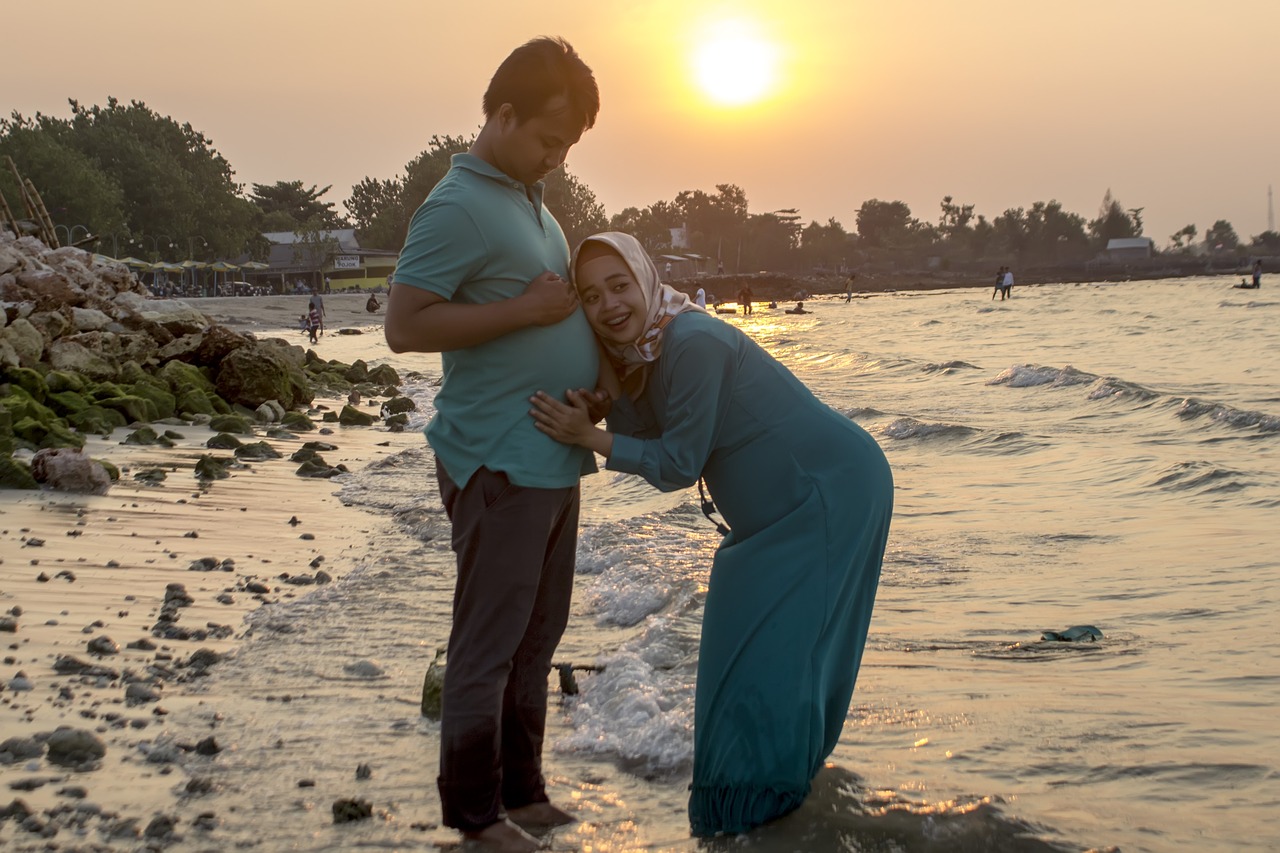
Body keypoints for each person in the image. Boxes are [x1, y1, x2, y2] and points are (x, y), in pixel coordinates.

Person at [529, 232, 893, 837]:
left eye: (619, 286)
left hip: (825, 494)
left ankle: (763, 810)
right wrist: (601, 394)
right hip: (773, 520)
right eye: (591, 296)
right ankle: (756, 809)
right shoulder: (645, 353)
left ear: (645, 278)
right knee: (751, 654)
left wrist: (585, 436)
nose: (609, 304)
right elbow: (646, 425)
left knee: (783, 659)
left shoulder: (693, 341)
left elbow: (675, 464)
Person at [383, 37, 602, 853]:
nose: (557, 154)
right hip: (498, 458)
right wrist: (529, 314)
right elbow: (404, 326)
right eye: (550, 138)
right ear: (502, 114)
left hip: (550, 452)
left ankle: (523, 788)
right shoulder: (457, 205)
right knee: (488, 639)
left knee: (538, 633)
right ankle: (474, 815)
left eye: (569, 144)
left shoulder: (529, 199)